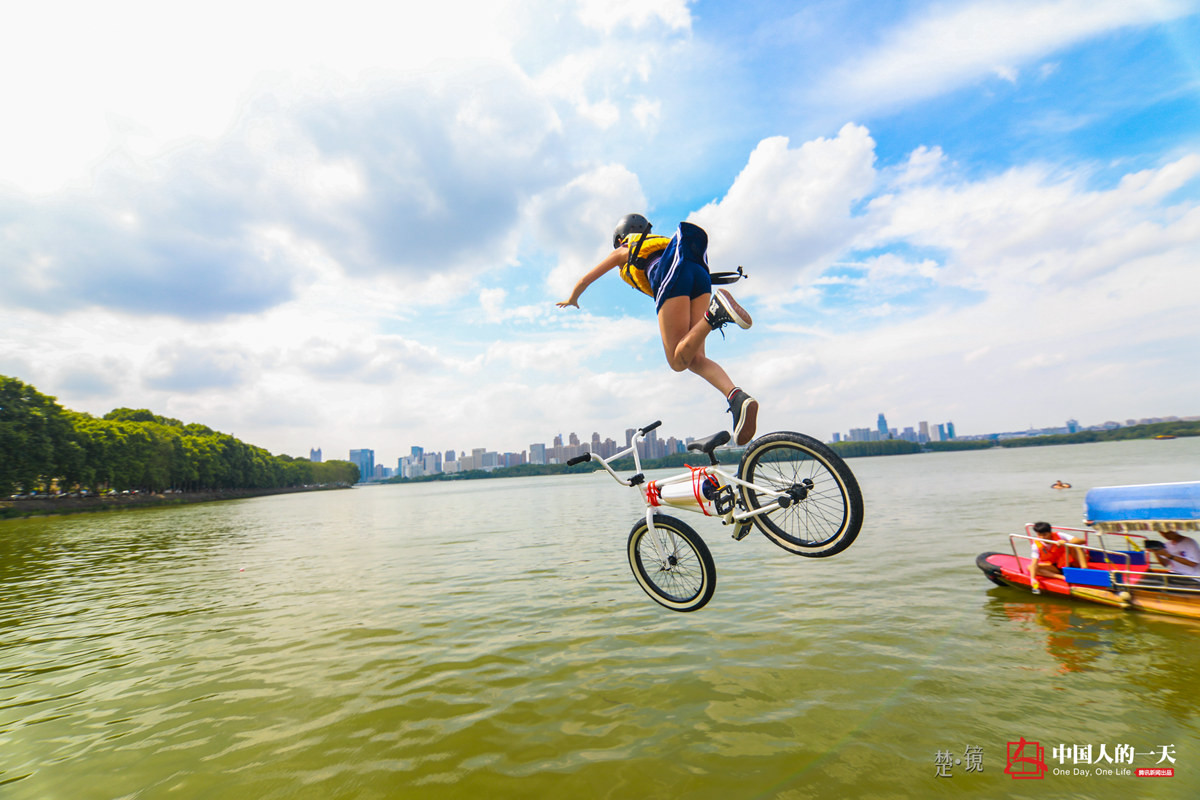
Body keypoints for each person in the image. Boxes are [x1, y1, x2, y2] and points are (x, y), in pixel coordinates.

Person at [557, 214, 759, 444]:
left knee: (676, 361)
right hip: (700, 273)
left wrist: (572, 298)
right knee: (693, 358)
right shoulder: (665, 244)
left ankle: (715, 314)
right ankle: (737, 397)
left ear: (621, 238)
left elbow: (586, 279)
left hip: (673, 275)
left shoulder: (626, 249)